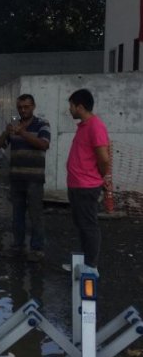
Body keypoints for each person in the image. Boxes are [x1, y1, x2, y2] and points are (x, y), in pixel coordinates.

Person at [0, 94, 51, 262]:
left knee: (35, 215)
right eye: (20, 107)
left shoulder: (42, 124)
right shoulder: (14, 126)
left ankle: (37, 248)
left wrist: (23, 133)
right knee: (17, 214)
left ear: (33, 107)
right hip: (16, 178)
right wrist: (6, 132)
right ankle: (18, 246)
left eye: (26, 107)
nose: (23, 110)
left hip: (34, 179)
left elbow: (44, 144)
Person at [63, 89, 111, 276]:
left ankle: (91, 266)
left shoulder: (95, 126)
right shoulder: (84, 126)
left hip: (86, 186)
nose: (70, 109)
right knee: (81, 225)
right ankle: (83, 261)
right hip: (76, 185)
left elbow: (104, 159)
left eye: (71, 106)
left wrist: (100, 176)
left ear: (80, 107)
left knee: (89, 226)